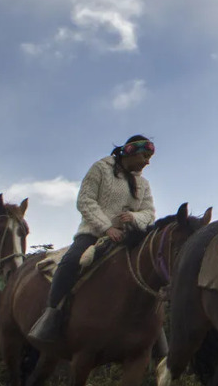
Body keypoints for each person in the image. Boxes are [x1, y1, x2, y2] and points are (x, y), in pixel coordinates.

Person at [27, 136, 158, 345]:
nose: (147, 162)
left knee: (149, 268)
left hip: (128, 237)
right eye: (145, 156)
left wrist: (134, 217)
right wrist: (107, 228)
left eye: (150, 157)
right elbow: (85, 200)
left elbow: (149, 212)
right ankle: (51, 316)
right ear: (131, 150)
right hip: (93, 233)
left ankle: (155, 331)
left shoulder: (143, 184)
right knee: (70, 262)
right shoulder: (100, 168)